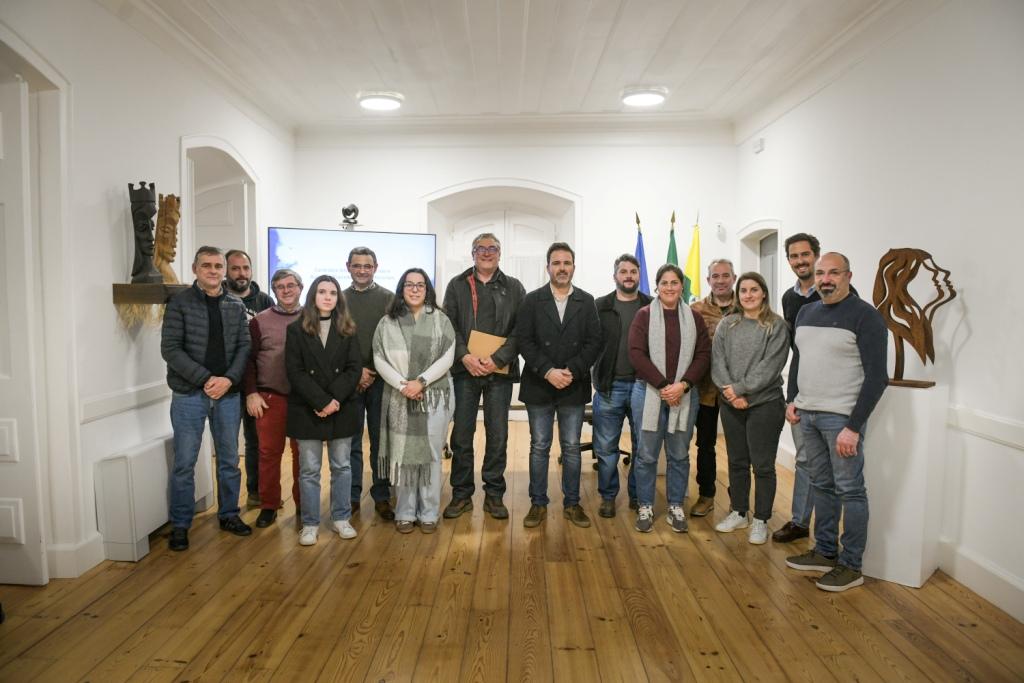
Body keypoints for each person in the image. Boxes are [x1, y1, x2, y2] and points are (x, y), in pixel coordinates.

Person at [785, 253, 887, 592]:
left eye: (833, 273)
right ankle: (825, 552)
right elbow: (798, 360)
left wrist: (853, 426)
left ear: (848, 276)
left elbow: (877, 377)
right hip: (807, 415)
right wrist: (792, 398)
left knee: (850, 491)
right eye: (820, 273)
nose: (825, 279)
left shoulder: (866, 316)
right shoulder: (806, 312)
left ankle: (851, 565)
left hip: (840, 419)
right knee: (822, 485)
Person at [161, 246, 252, 552]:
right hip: (189, 394)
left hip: (227, 394)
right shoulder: (180, 303)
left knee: (229, 460)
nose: (213, 271)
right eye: (206, 265)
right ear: (195, 269)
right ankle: (180, 524)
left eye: (217, 266)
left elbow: (244, 347)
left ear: (224, 270)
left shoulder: (235, 305)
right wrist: (206, 379)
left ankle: (229, 514)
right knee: (184, 462)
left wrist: (228, 380)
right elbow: (170, 349)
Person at [773, 233, 857, 543]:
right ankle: (800, 522)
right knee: (805, 461)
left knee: (839, 475)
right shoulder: (790, 298)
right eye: (794, 256)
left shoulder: (844, 294)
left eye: (805, 255)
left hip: (837, 401)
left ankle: (833, 538)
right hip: (804, 395)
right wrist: (791, 396)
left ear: (816, 255)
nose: (800, 261)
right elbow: (798, 351)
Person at [516, 242, 603, 529]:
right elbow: (524, 341)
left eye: (567, 263)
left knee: (571, 447)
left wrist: (571, 371)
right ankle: (538, 503)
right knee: (539, 446)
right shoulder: (532, 300)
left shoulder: (586, 301)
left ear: (573, 267)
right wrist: (548, 371)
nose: (562, 268)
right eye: (556, 263)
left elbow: (594, 342)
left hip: (573, 385)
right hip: (539, 384)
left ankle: (572, 503)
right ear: (548, 267)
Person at [443, 233, 525, 521]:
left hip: (499, 372)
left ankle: (494, 495)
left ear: (500, 254)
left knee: (498, 435)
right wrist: (465, 356)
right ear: (473, 253)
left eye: (493, 248)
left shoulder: (514, 287)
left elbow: (521, 329)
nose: (487, 253)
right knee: (462, 435)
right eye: (481, 248)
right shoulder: (457, 285)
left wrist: (497, 359)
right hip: (465, 370)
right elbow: (448, 325)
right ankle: (461, 494)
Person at [628, 264, 710, 534]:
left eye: (675, 282)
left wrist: (682, 386)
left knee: (679, 454)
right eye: (664, 282)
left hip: (684, 394)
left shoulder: (694, 318)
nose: (670, 287)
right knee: (646, 454)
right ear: (657, 286)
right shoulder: (644, 315)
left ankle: (676, 506)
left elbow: (703, 355)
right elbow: (636, 353)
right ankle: (645, 506)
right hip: (649, 392)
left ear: (681, 286)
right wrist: (665, 386)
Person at [373, 269, 456, 534]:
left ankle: (429, 512)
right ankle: (405, 511)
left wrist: (420, 382)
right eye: (409, 284)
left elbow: (448, 357)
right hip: (399, 396)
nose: (415, 289)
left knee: (431, 454)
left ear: (427, 289)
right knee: (403, 454)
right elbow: (379, 358)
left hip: (434, 394)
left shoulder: (440, 320)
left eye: (420, 285)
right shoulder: (387, 322)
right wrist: (403, 385)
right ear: (401, 289)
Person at [711, 272, 790, 544]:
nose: (748, 295)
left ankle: (761, 519)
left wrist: (740, 389)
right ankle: (739, 512)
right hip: (731, 404)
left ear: (763, 292)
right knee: (737, 461)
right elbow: (717, 362)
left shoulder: (776, 326)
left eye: (754, 289)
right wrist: (732, 394)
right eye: (743, 290)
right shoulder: (727, 324)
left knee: (763, 465)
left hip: (765, 404)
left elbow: (770, 367)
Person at [285, 275, 362, 546]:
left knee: (342, 466)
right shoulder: (296, 330)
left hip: (341, 406)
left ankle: (341, 518)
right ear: (312, 296)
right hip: (308, 408)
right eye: (322, 292)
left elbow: (354, 368)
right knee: (309, 470)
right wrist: (321, 402)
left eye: (332, 292)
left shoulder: (348, 329)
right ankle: (310, 523)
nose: (327, 297)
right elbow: (295, 371)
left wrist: (333, 400)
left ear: (338, 298)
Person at [242, 268, 304, 528]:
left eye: (291, 285)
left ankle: (304, 505)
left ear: (301, 288)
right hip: (270, 396)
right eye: (280, 286)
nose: (286, 290)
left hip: (304, 399)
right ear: (274, 291)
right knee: (268, 453)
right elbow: (248, 360)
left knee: (303, 455)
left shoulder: (312, 318)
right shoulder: (260, 321)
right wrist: (251, 393)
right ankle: (268, 505)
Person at [591, 254, 651, 517]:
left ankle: (637, 496)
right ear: (615, 275)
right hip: (609, 386)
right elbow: (590, 343)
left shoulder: (652, 305)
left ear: (639, 275)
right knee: (606, 448)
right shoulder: (600, 306)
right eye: (623, 271)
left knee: (642, 446)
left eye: (633, 271)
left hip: (644, 386)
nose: (628, 276)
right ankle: (608, 496)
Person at [343, 247, 396, 520]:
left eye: (367, 266)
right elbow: (336, 343)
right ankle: (352, 496)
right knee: (351, 442)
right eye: (357, 265)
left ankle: (382, 495)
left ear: (376, 267)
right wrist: (356, 373)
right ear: (348, 267)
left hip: (381, 381)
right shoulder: (339, 299)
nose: (362, 270)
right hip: (349, 382)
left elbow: (395, 341)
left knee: (380, 441)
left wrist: (372, 371)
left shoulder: (389, 299)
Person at [225, 249, 275, 509]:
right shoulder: (219, 298)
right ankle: (228, 505)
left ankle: (256, 492)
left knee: (256, 441)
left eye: (245, 268)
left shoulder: (265, 301)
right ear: (227, 271)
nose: (241, 273)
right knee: (228, 447)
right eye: (235, 268)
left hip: (256, 384)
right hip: (226, 385)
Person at [688, 259, 737, 518]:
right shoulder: (695, 310)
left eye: (725, 275)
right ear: (708, 280)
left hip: (737, 391)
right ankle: (706, 495)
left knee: (739, 448)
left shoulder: (747, 307)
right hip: (705, 391)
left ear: (734, 278)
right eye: (715, 276)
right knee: (705, 445)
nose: (720, 280)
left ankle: (738, 499)